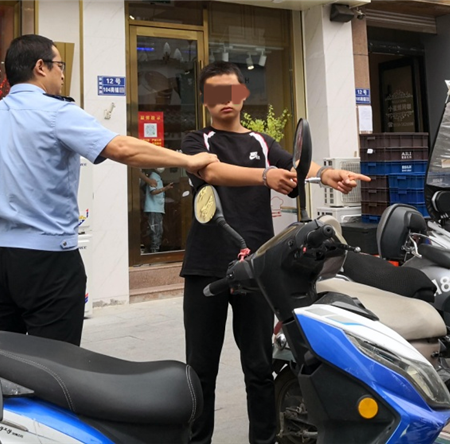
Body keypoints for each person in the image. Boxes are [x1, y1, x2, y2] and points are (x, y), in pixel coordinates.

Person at [0, 34, 218, 346]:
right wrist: (188, 160)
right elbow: (122, 149)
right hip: (49, 259)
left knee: (1, 355)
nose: (62, 74)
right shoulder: (58, 113)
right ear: (40, 67)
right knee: (55, 361)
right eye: (59, 65)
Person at [180, 61, 370, 444]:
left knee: (259, 366)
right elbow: (212, 172)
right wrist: (265, 176)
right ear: (204, 100)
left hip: (257, 271)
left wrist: (325, 174)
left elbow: (296, 166)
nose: (225, 100)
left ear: (243, 95)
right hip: (206, 267)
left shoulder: (262, 143)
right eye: (216, 93)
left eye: (232, 91)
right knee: (200, 371)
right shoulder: (196, 141)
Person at [144, 167, 173, 253]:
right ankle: (154, 253)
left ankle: (154, 251)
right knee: (155, 231)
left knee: (157, 231)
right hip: (154, 208)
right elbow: (153, 192)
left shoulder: (157, 176)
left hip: (157, 208)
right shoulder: (153, 176)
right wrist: (165, 188)